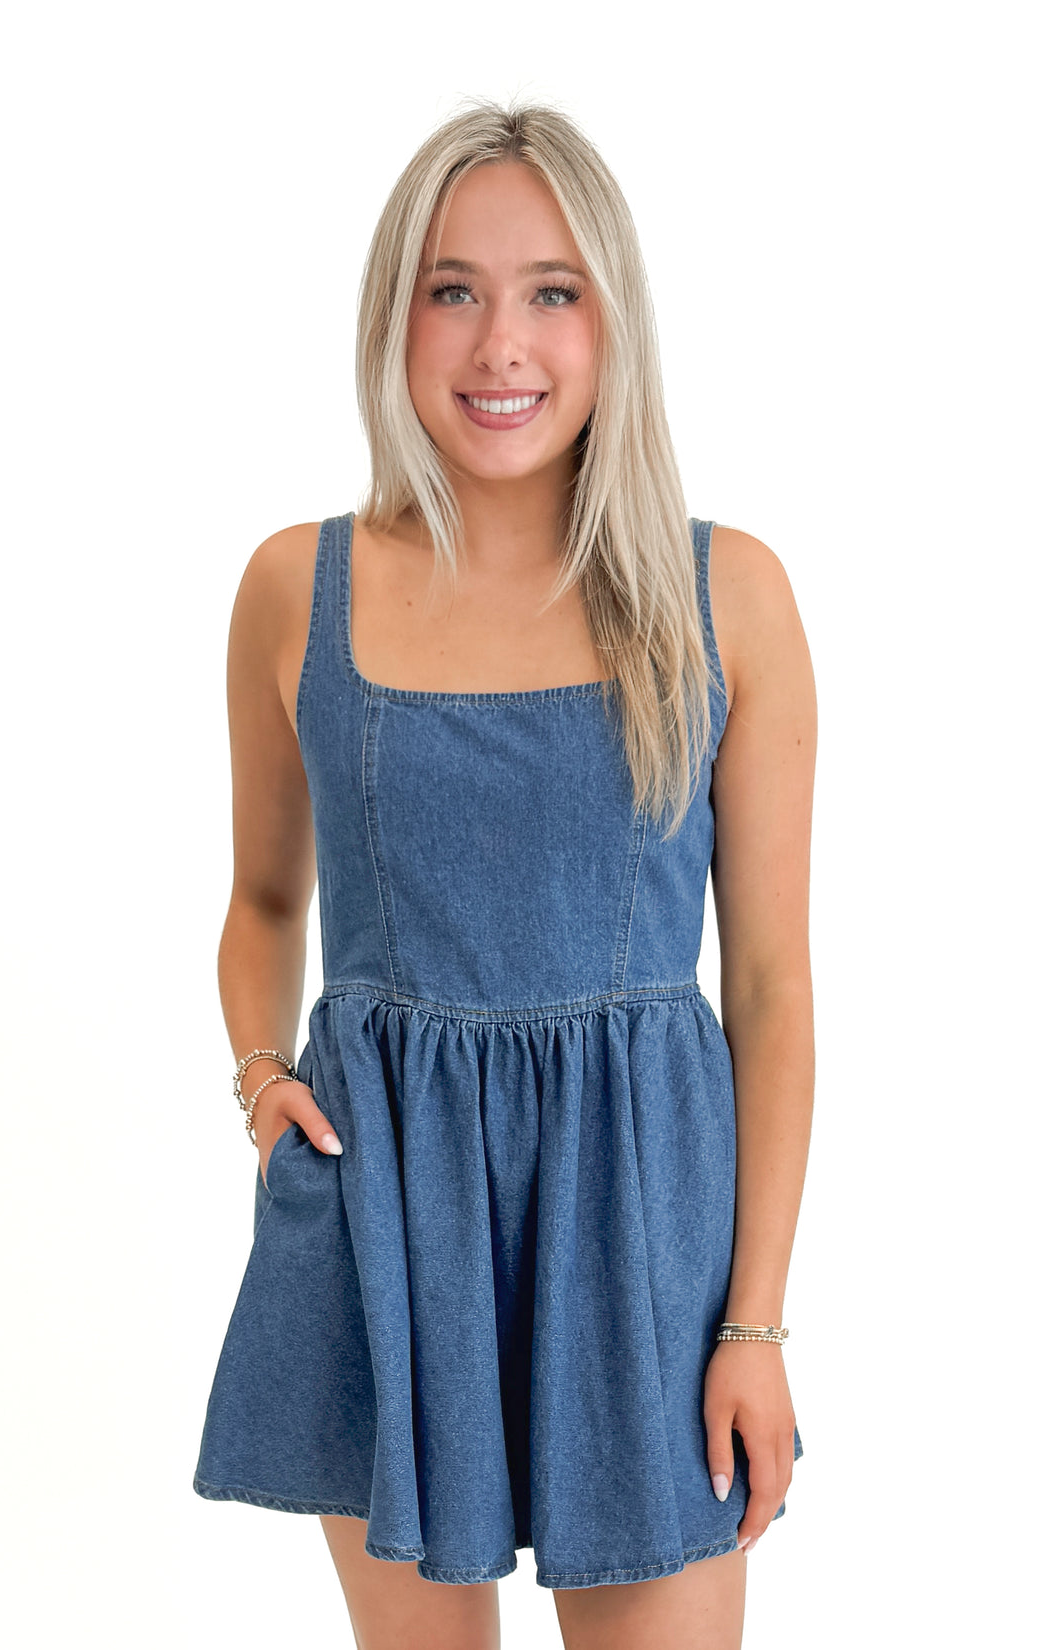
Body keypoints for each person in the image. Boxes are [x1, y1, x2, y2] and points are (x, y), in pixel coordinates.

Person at [193, 97, 817, 1650]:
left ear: (613, 322)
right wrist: (262, 1075)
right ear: (393, 316)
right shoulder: (296, 589)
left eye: (552, 291)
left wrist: (753, 1320)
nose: (500, 346)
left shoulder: (723, 594)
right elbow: (265, 901)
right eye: (451, 288)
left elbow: (771, 982)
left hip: (646, 1235)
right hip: (387, 1223)